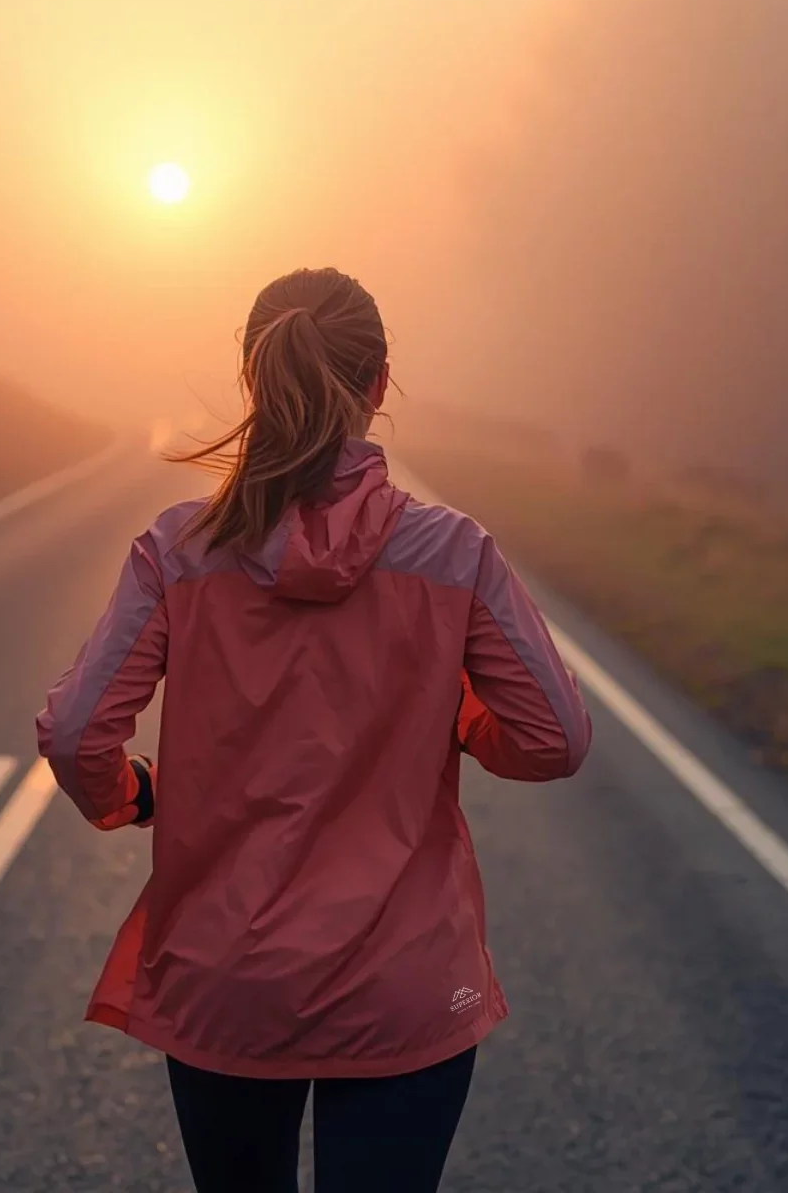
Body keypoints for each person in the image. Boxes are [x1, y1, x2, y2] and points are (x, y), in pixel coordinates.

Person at [37, 266, 592, 1193]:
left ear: (254, 379)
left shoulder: (178, 552)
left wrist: (130, 795)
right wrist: (452, 712)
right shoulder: (455, 553)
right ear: (379, 387)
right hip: (404, 982)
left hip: (226, 979)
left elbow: (76, 733)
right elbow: (555, 739)